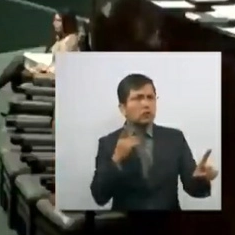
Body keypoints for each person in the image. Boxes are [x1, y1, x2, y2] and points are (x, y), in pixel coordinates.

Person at [89, 73, 218, 210]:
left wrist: (202, 179)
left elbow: (195, 190)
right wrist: (116, 159)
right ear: (123, 108)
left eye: (150, 98)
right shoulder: (108, 143)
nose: (146, 104)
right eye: (137, 98)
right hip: (126, 227)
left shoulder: (175, 138)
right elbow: (99, 197)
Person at [0, 10, 80, 102]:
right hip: (47, 68)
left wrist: (43, 68)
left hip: (53, 74)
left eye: (58, 21)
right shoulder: (62, 37)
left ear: (67, 23)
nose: (54, 23)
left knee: (18, 64)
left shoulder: (70, 41)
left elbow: (61, 65)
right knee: (17, 68)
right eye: (54, 20)